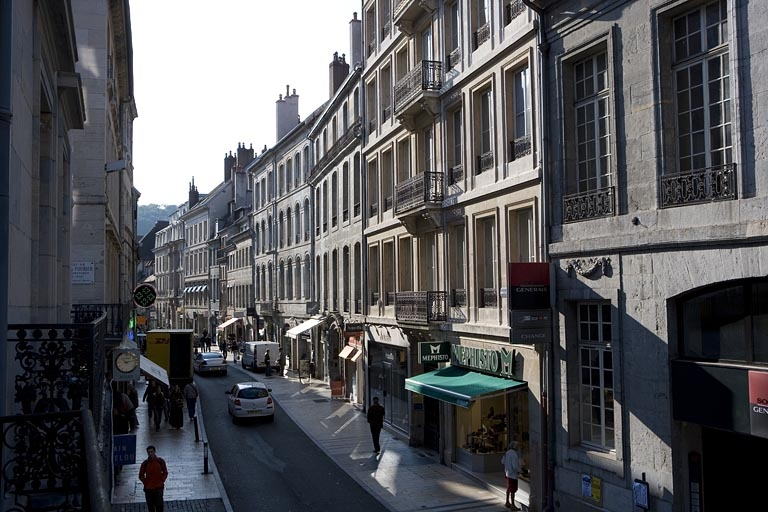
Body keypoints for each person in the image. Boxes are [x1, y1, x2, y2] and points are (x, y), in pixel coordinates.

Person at [139, 445, 168, 512]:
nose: (150, 453)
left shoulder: (160, 461)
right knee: (151, 507)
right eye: (149, 452)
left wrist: (162, 480)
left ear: (154, 452)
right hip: (149, 489)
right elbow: (141, 475)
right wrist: (146, 482)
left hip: (158, 488)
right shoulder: (145, 464)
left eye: (151, 451)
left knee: (159, 507)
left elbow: (165, 472)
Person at [502, 441, 521, 510]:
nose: (519, 448)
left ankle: (507, 502)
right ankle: (513, 505)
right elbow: (515, 466)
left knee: (508, 488)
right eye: (518, 446)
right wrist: (520, 470)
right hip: (513, 475)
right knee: (513, 490)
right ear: (516, 447)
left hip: (507, 473)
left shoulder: (507, 453)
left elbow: (502, 461)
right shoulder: (514, 455)